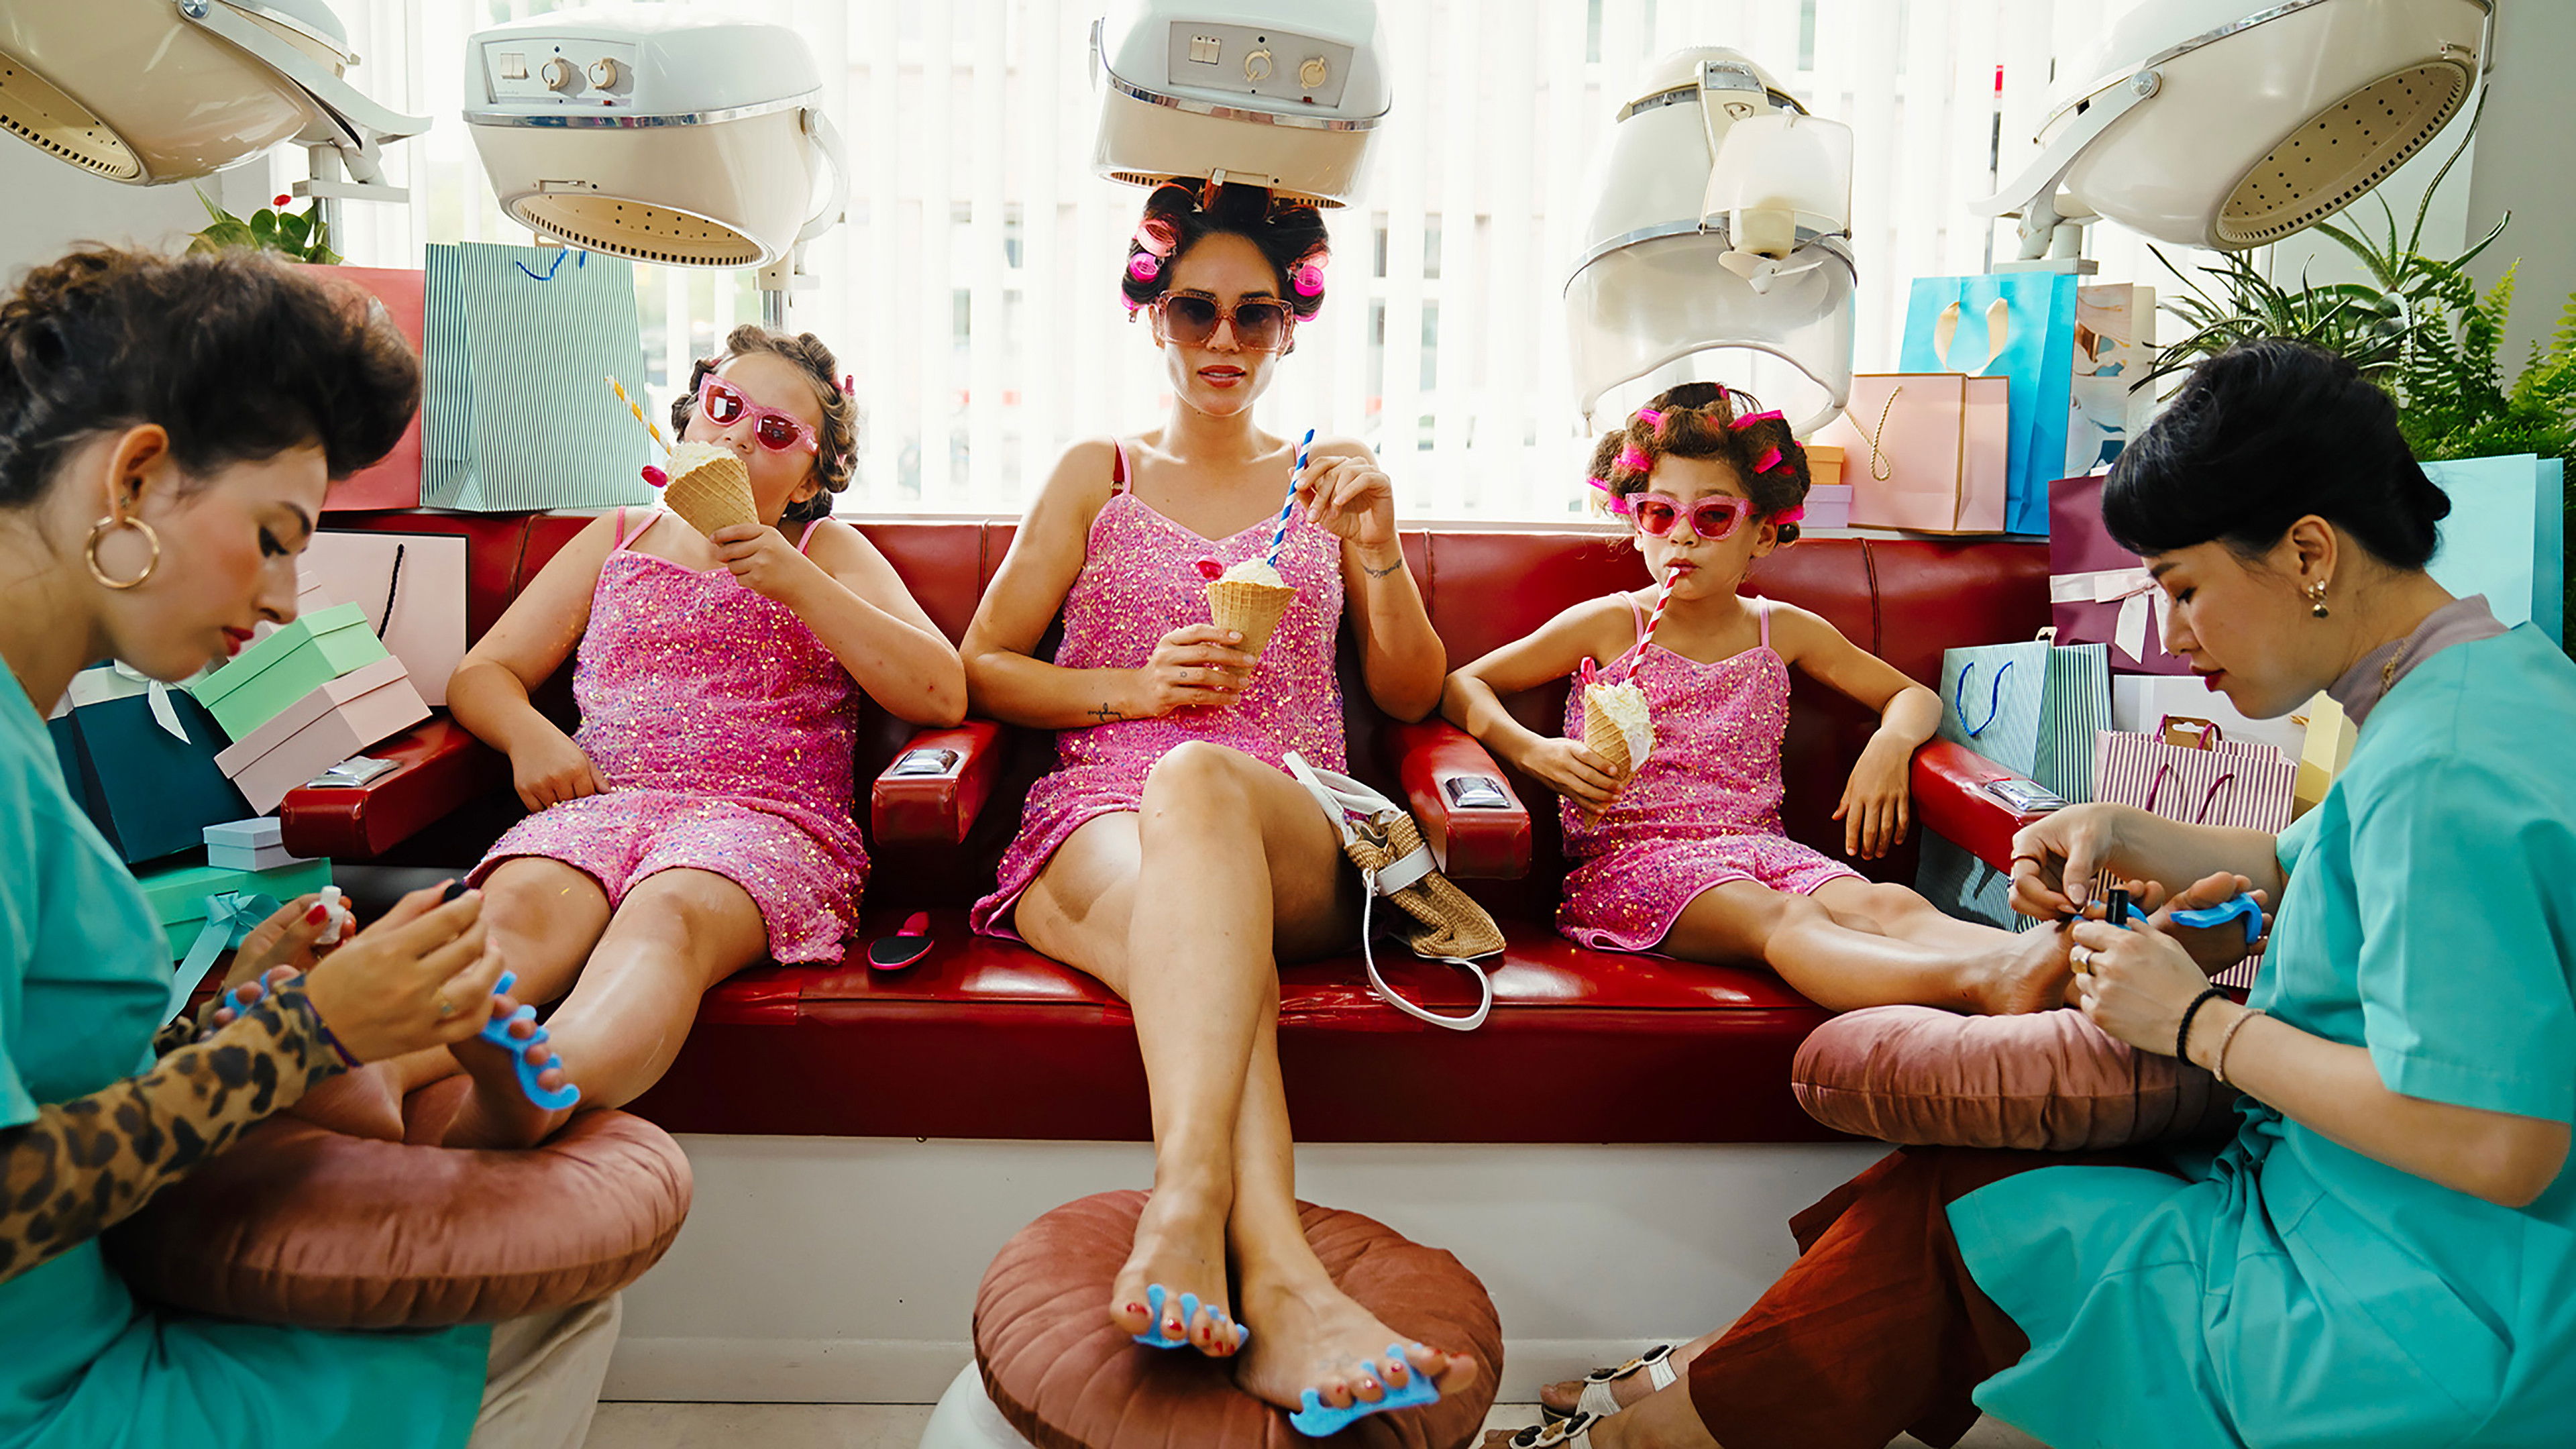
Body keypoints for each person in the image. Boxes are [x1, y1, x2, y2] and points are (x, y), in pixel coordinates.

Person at [1483, 339, 2576, 1448]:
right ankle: (1688, 1399)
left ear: (2307, 553)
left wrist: (2196, 1026)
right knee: (1963, 1188)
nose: (2175, 637)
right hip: (2370, 1220)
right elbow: (2314, 863)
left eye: (2183, 589)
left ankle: (1655, 1427)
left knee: (1958, 1223)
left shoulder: (2442, 769)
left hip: (2414, 1305)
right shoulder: (2495, 681)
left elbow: (2499, 1143)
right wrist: (2125, 829)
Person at [0, 246, 613, 1448]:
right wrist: (305, 1035)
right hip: (46, 1404)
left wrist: (231, 1002)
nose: (287, 602)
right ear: (135, 476)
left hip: (92, 1326)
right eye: (276, 537)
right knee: (547, 1302)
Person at [960, 182, 1478, 1420]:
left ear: (1293, 324)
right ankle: (1285, 1283)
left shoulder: (1329, 482)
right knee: (1191, 924)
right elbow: (984, 664)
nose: (1225, 339)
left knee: (1197, 779)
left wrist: (1380, 544)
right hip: (1098, 820)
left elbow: (1411, 693)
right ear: (1155, 315)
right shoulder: (1098, 472)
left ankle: (1186, 1206)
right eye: (1197, 309)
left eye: (1256, 313)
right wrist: (1136, 689)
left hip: (1295, 820)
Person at [316, 326, 965, 1150]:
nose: (739, 435)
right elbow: (485, 673)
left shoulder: (824, 552)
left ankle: (544, 1083)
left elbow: (940, 692)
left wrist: (798, 582)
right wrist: (531, 738)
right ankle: (376, 1074)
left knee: (670, 915)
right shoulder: (619, 536)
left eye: (775, 431)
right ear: (690, 417)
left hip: (766, 822)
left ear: (809, 477)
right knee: (518, 908)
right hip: (602, 803)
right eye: (726, 407)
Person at [1444, 382, 2070, 1016]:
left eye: (1713, 517)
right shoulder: (1610, 624)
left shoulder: (1783, 630)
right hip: (1635, 867)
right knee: (1787, 918)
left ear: (1763, 534)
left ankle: (2068, 975)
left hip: (1764, 850)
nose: (1682, 538)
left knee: (1889, 905)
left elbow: (1911, 696)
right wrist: (1532, 751)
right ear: (1636, 525)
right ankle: (1987, 983)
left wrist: (1891, 744)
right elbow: (1463, 685)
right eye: (1659, 513)